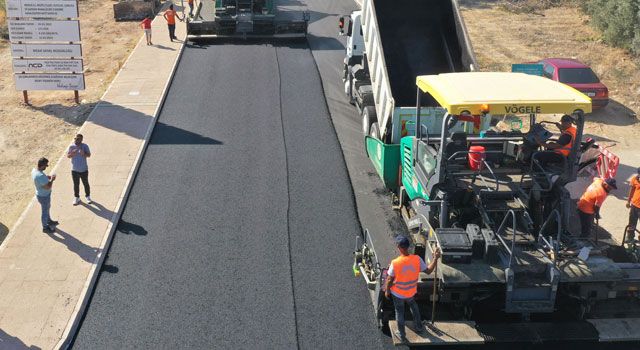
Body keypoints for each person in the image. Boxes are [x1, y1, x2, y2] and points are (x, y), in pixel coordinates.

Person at [385, 235, 441, 342]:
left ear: (399, 247)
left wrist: (387, 291)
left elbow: (389, 280)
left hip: (398, 294)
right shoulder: (417, 259)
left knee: (399, 312)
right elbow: (429, 271)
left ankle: (401, 335)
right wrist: (435, 258)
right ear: (408, 247)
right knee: (414, 307)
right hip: (410, 292)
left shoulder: (395, 263)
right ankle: (419, 327)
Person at [32, 158, 59, 233]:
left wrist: (46, 177)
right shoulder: (40, 175)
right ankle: (45, 227)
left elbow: (40, 180)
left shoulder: (35, 170)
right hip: (44, 196)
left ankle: (49, 221)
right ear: (42, 165)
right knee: (44, 211)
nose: (46, 167)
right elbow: (48, 186)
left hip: (42, 194)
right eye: (45, 165)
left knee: (47, 209)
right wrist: (52, 179)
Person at [67, 134, 92, 205]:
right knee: (76, 184)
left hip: (84, 169)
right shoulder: (71, 147)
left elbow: (89, 155)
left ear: (81, 140)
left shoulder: (85, 146)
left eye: (77, 139)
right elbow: (68, 156)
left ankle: (88, 197)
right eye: (75, 138)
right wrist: (72, 153)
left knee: (85, 183)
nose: (75, 140)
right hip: (74, 170)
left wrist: (83, 153)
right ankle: (77, 198)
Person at [627, 168, 640, 241]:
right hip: (634, 205)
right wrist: (628, 201)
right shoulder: (635, 179)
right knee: (632, 222)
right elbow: (631, 190)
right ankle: (630, 237)